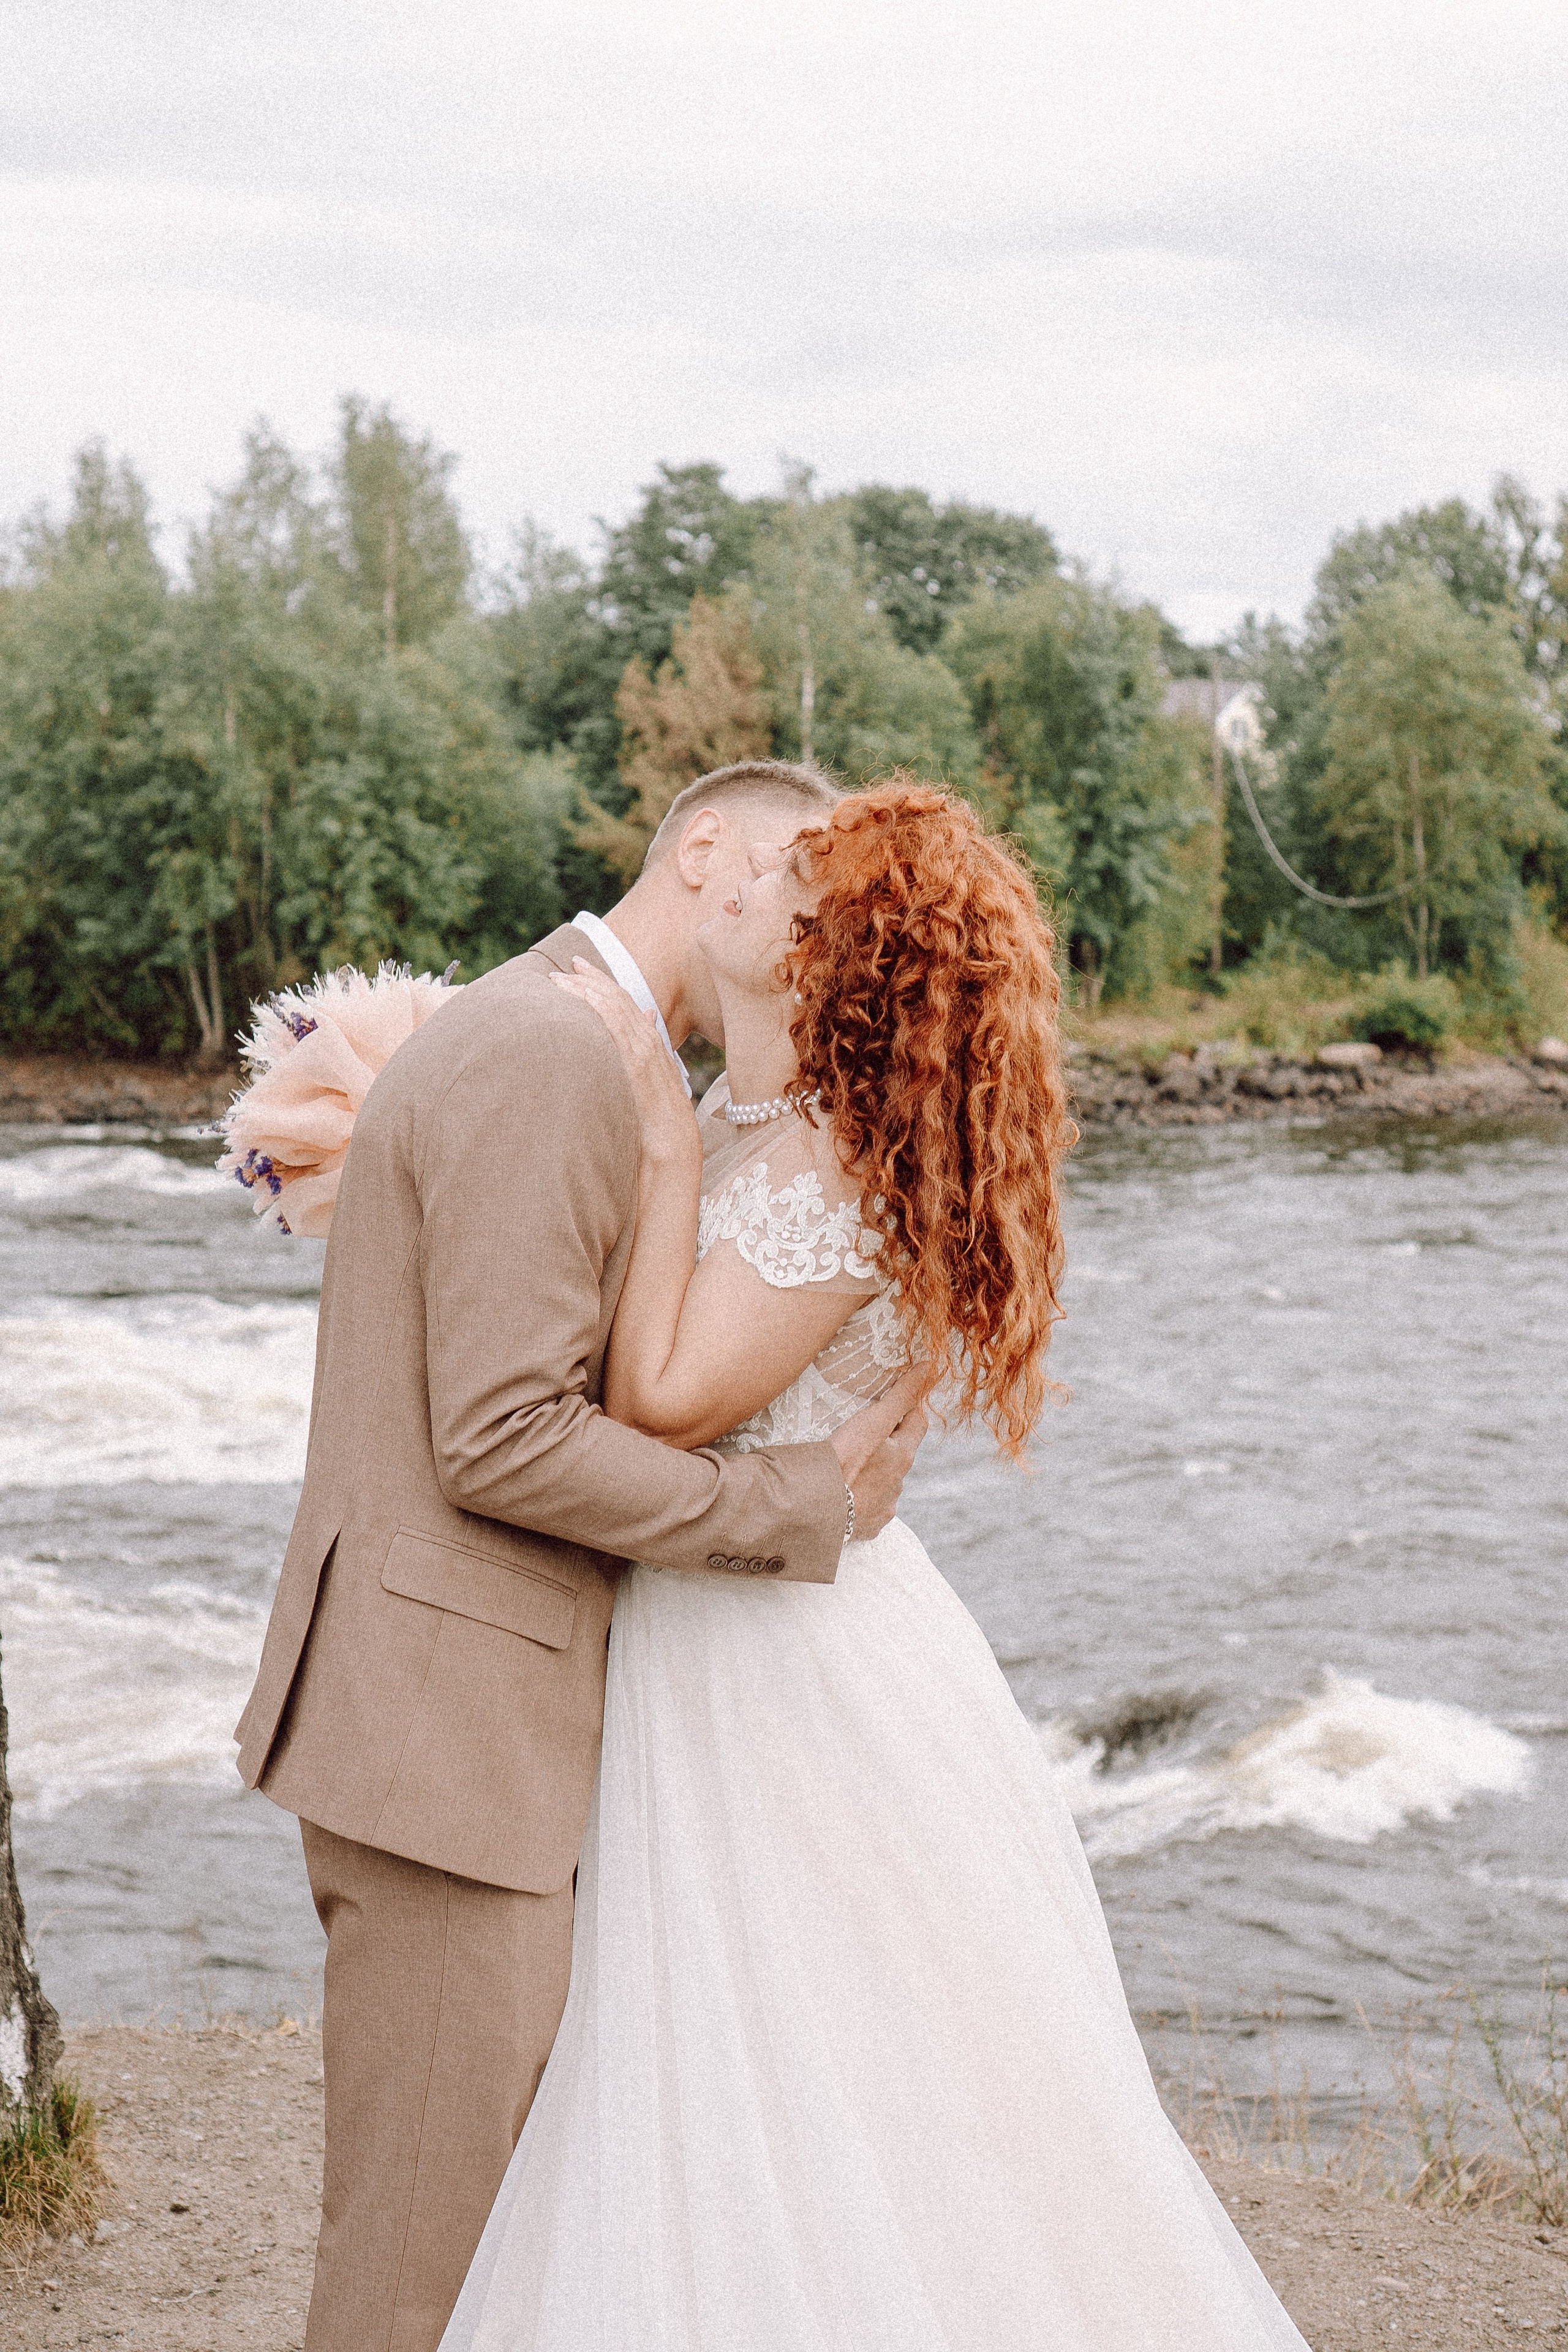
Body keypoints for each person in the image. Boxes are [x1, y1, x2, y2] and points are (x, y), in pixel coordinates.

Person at [439, 780, 1311, 2351]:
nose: (748, 876)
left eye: (796, 874)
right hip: (713, 1631)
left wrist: (657, 1146)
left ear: (836, 952)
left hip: (786, 1667)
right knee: (725, 2057)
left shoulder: (837, 1163)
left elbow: (662, 1401)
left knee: (839, 2050)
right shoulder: (748, 1124)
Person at [229, 760, 930, 2352]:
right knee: (416, 2284)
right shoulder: (555, 1047)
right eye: (795, 882)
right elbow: (502, 1437)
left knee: (512, 2262)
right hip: (448, 1748)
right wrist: (792, 1508)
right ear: (706, 852)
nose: (813, 926)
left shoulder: (588, 1047)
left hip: (479, 1734)